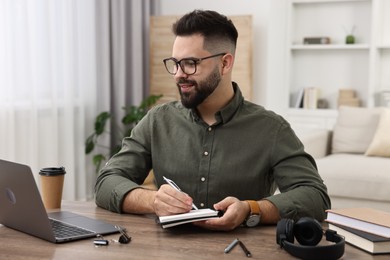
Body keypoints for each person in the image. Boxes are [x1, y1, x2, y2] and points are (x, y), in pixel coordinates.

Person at [95, 9, 330, 231]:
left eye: (190, 63)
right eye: (175, 63)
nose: (178, 74)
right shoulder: (158, 120)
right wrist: (152, 200)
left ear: (225, 63)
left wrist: (251, 209)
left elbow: (315, 195)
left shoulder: (271, 128)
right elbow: (107, 182)